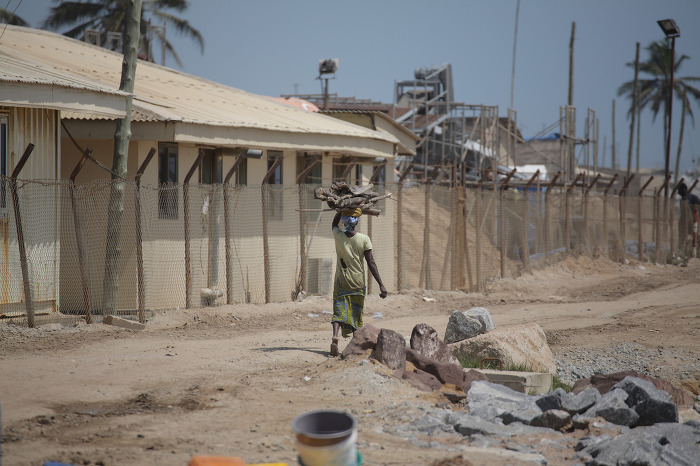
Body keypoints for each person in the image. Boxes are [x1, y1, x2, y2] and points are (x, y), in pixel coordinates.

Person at [330, 208, 387, 356]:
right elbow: (371, 262)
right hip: (358, 283)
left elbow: (334, 224)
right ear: (356, 222)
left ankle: (335, 336)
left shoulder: (338, 236)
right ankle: (355, 345)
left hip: (341, 281)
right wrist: (381, 284)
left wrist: (340, 209)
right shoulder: (364, 239)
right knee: (356, 313)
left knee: (338, 310)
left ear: (344, 222)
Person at [677, 182, 700, 259]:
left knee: (695, 236)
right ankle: (683, 252)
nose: (678, 191)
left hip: (692, 221)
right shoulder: (682, 199)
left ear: (684, 189)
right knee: (683, 237)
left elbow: (698, 206)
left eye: (679, 189)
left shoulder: (692, 197)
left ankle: (695, 252)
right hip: (683, 222)